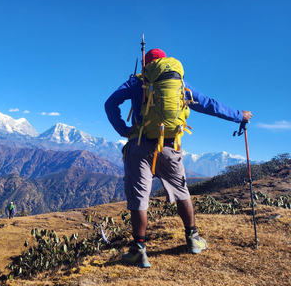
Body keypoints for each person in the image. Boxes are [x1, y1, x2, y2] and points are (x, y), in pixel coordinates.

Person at [105, 48, 252, 268]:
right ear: (165, 62)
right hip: (169, 146)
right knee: (183, 193)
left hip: (139, 145)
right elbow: (209, 104)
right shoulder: (179, 83)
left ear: (146, 64)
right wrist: (238, 115)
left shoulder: (138, 81)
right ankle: (193, 239)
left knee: (140, 199)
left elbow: (110, 103)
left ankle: (139, 250)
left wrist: (123, 130)